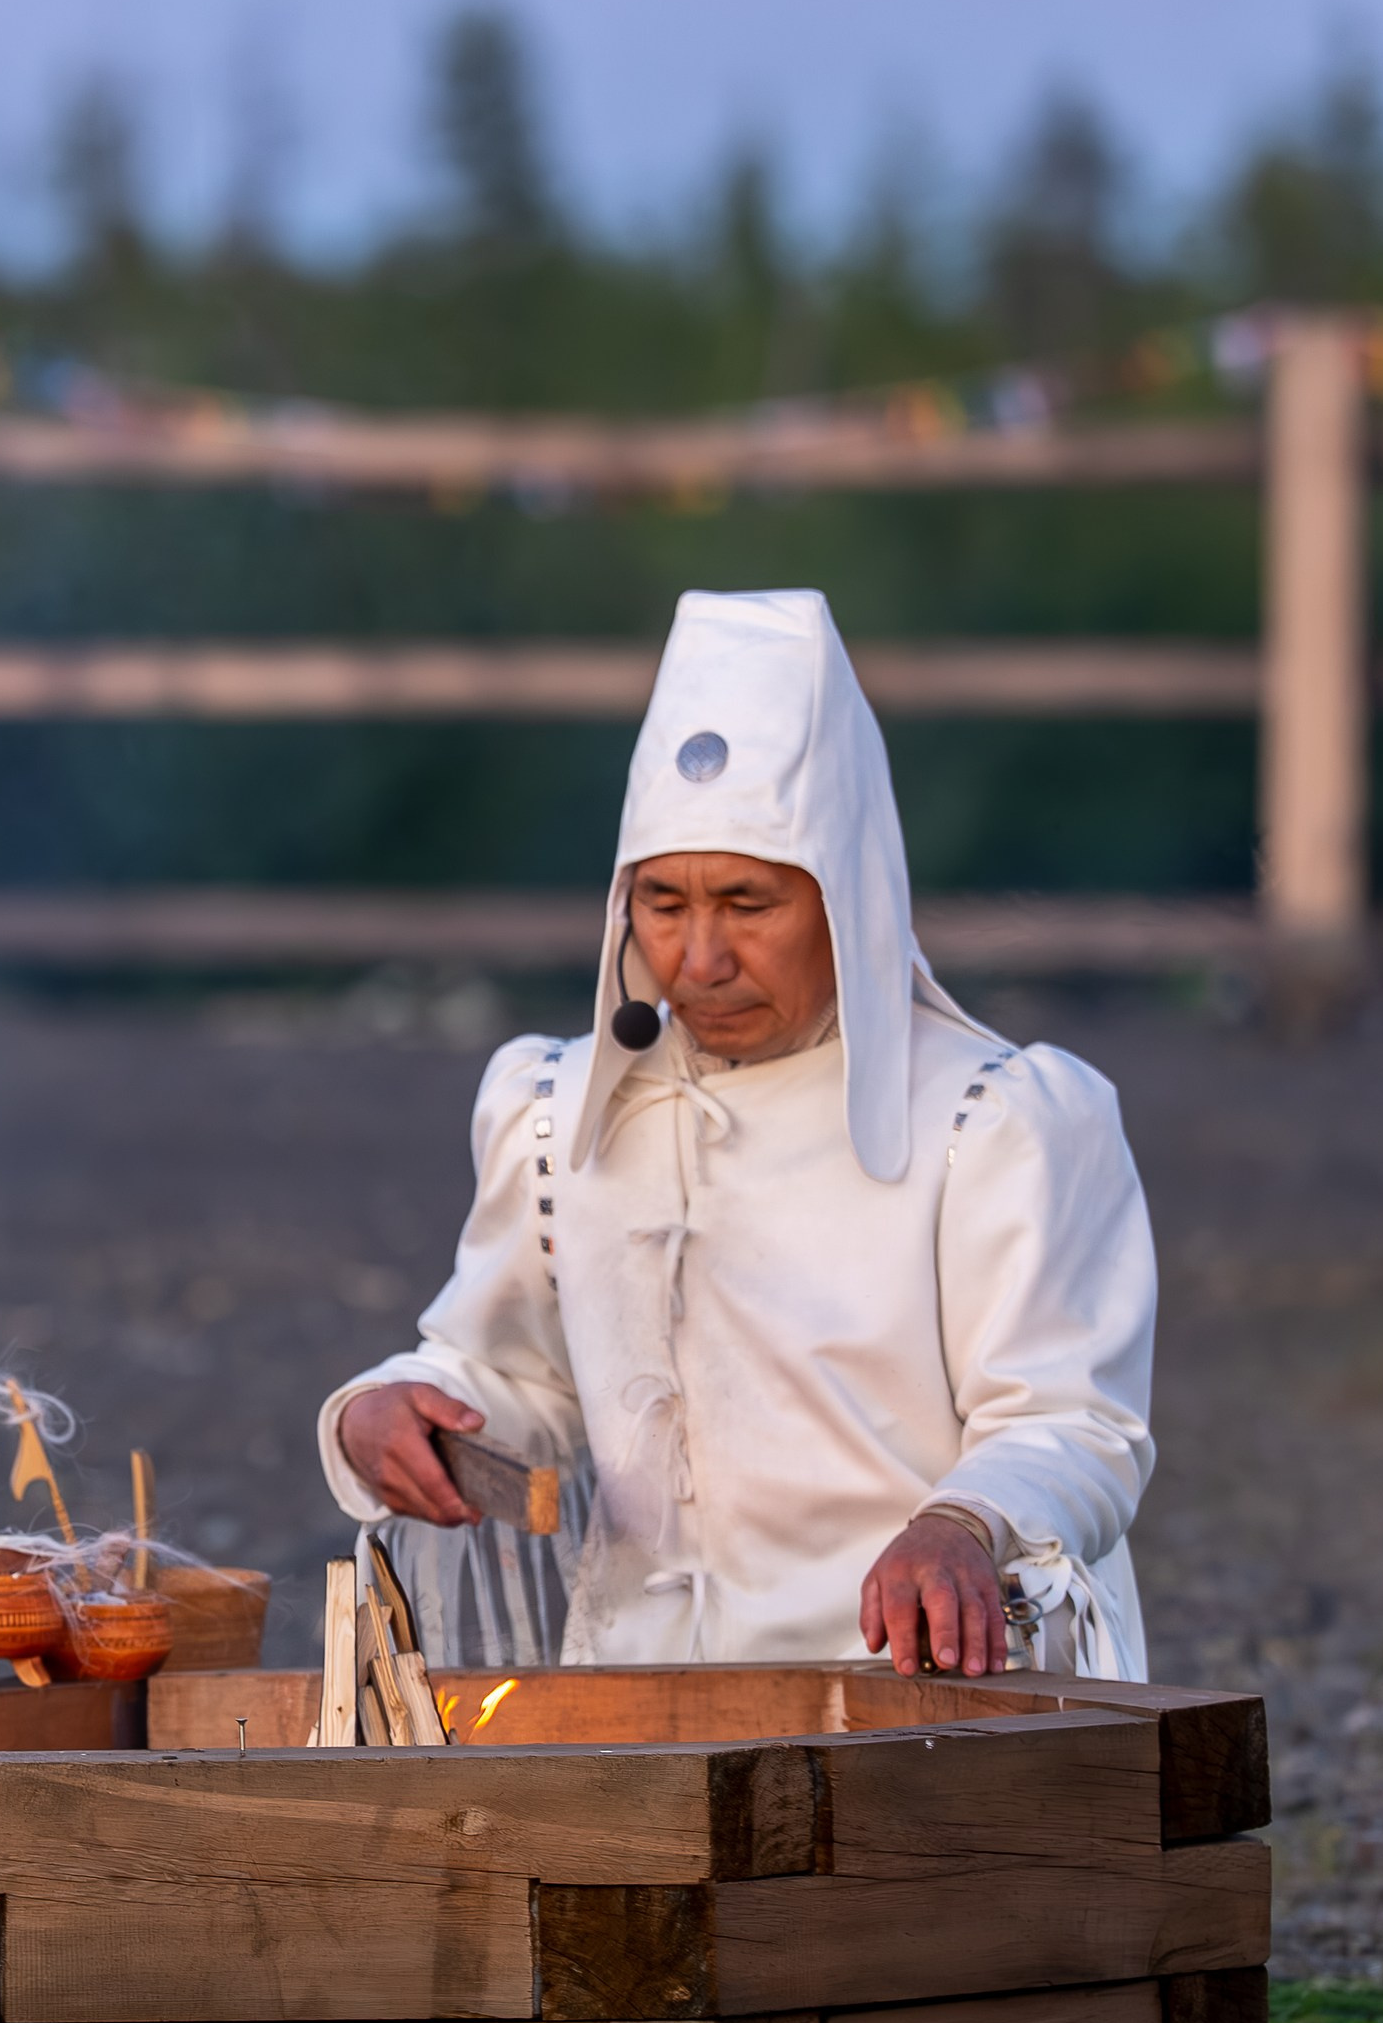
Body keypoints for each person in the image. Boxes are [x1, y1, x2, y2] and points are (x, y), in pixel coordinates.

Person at [317, 587, 1157, 1680]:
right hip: (634, 1700)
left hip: (929, 1701)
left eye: (749, 904)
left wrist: (964, 1524)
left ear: (846, 899)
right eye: (663, 903)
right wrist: (390, 1413)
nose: (698, 960)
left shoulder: (1000, 1122)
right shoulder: (550, 1110)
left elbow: (1073, 1421)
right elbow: (512, 1380)